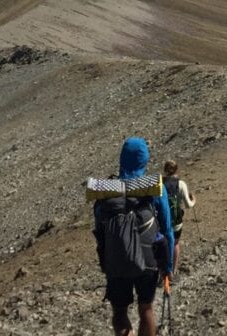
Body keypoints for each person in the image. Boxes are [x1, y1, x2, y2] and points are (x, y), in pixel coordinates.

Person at [92, 137, 174, 336]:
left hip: (116, 259)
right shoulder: (154, 188)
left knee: (120, 311)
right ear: (144, 159)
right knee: (146, 309)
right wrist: (168, 266)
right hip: (148, 257)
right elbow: (167, 230)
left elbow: (99, 229)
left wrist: (105, 259)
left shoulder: (106, 192)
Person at [162, 159, 195, 274]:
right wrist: (194, 200)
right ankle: (173, 270)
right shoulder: (181, 184)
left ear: (164, 170)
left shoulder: (159, 184)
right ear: (177, 170)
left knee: (163, 245)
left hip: (162, 221)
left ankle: (162, 271)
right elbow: (188, 205)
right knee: (175, 244)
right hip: (176, 221)